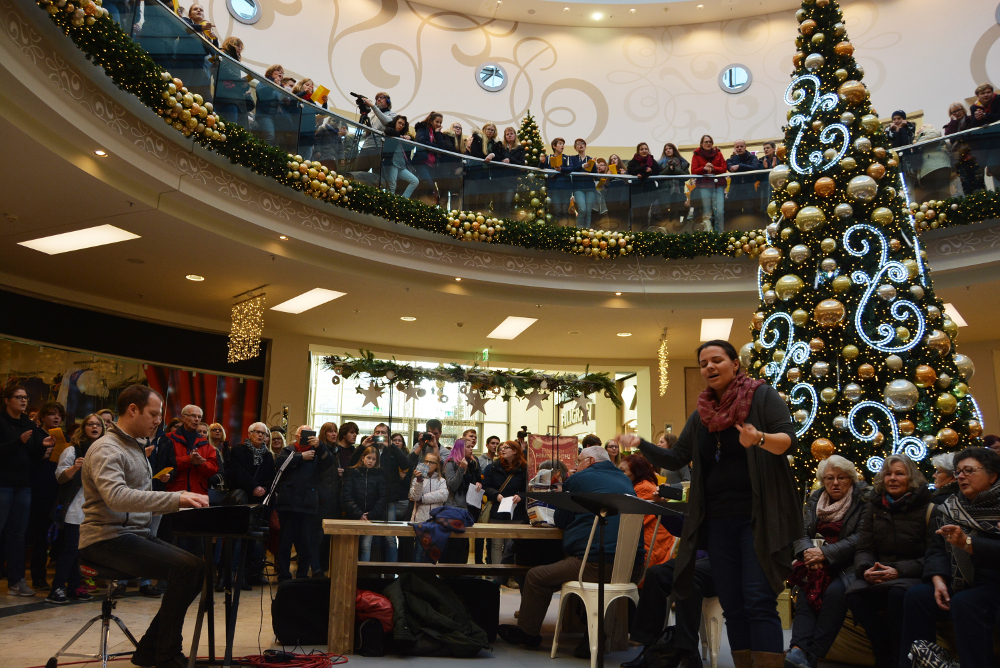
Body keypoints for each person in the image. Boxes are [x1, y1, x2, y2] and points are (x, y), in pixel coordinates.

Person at [618, 339, 800, 668]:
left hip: (757, 519)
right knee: (733, 604)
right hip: (717, 522)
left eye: (717, 360)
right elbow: (676, 456)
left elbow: (789, 441)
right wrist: (640, 444)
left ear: (735, 364)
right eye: (704, 363)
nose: (710, 367)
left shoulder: (761, 395)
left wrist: (758, 438)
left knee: (758, 600)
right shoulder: (703, 413)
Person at [79, 385, 209, 668]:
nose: (158, 420)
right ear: (132, 410)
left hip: (132, 534)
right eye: (153, 413)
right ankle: (165, 654)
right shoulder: (106, 448)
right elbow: (116, 497)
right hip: (104, 538)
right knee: (185, 569)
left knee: (198, 568)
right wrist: (176, 498)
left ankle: (152, 650)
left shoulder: (135, 446)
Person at [497, 446, 642, 656]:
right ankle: (593, 635)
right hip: (632, 566)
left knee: (536, 576)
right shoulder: (625, 480)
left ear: (590, 461)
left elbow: (562, 520)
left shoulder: (578, 480)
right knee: (583, 574)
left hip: (594, 564)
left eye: (579, 461)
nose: (576, 466)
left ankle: (528, 634)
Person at [900, 447, 1000, 668]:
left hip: (993, 583)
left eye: (969, 470)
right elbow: (936, 549)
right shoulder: (950, 507)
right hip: (956, 579)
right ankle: (915, 663)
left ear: (993, 476)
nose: (961, 476)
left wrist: (968, 543)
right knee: (917, 596)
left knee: (966, 602)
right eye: (958, 472)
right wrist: (937, 579)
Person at [844, 454, 931, 668]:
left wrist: (898, 571)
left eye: (899, 474)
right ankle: (882, 652)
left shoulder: (928, 508)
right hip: (879, 572)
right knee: (854, 596)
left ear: (911, 478)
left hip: (911, 575)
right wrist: (866, 569)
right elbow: (864, 547)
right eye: (888, 474)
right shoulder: (875, 506)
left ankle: (898, 657)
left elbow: (933, 555)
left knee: (896, 594)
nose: (892, 478)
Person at [785, 456, 869, 668]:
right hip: (815, 561)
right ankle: (797, 651)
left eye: (841, 478)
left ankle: (813, 655)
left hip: (847, 565)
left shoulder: (863, 500)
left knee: (834, 595)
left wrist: (826, 554)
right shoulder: (816, 499)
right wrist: (808, 553)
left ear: (851, 479)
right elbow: (800, 532)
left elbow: (860, 538)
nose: (835, 483)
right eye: (829, 478)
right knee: (805, 592)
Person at [0, 384, 54, 597]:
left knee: (18, 535)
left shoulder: (27, 424)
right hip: (2, 483)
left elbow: (31, 454)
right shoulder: (2, 421)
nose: (23, 401)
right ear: (7, 400)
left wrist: (43, 446)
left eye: (25, 397)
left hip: (23, 485)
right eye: (18, 397)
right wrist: (17, 442)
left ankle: (16, 581)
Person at [46, 413, 105, 604]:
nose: (94, 427)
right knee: (71, 548)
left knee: (81, 551)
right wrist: (74, 468)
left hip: (94, 509)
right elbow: (60, 477)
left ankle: (74, 587)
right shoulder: (72, 450)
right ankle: (57, 588)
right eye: (90, 424)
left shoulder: (106, 451)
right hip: (75, 507)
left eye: (98, 425)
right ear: (84, 428)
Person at [625, 556, 715, 668]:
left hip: (727, 562)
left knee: (687, 575)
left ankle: (689, 655)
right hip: (699, 557)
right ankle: (650, 650)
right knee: (655, 573)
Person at [274, 425, 334, 580]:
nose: (306, 437)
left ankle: (302, 576)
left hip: (308, 505)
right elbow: (280, 465)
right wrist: (301, 457)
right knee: (285, 543)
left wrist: (319, 446)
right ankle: (284, 576)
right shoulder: (288, 450)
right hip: (288, 504)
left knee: (306, 543)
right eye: (303, 434)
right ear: (296, 436)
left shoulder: (317, 453)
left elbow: (329, 463)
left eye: (309, 434)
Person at [226, 422, 276, 586]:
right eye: (257, 432)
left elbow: (271, 476)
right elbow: (236, 471)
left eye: (263, 433)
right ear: (249, 434)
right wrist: (253, 486)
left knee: (255, 539)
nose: (261, 435)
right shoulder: (239, 450)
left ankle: (248, 575)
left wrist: (263, 489)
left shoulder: (268, 455)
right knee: (237, 539)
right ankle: (229, 576)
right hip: (241, 500)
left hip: (259, 502)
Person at [29, 401, 64, 591]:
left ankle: (42, 576)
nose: (56, 417)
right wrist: (42, 455)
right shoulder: (35, 435)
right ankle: (34, 576)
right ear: (42, 417)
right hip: (35, 489)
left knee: (45, 535)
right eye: (51, 414)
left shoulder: (62, 438)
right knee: (33, 535)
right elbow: (25, 462)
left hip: (54, 491)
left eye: (59, 415)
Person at [620, 453, 674, 567]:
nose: (619, 474)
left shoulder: (644, 488)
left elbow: (631, 520)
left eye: (623, 471)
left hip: (653, 548)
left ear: (636, 472)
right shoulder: (642, 485)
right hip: (653, 543)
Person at [483, 441, 529, 567]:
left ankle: (510, 576)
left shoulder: (524, 469)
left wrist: (521, 496)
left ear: (515, 451)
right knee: (496, 545)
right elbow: (486, 487)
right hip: (497, 510)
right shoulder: (494, 467)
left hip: (516, 512)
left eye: (506, 448)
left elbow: (529, 490)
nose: (502, 450)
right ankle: (497, 574)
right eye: (501, 448)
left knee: (512, 546)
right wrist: (495, 494)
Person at [161, 405, 218, 497]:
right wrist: (188, 459)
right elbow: (163, 464)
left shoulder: (205, 443)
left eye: (199, 417)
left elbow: (213, 469)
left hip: (198, 493)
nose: (197, 419)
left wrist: (200, 464)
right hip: (174, 492)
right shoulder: (168, 438)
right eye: (193, 416)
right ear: (183, 417)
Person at [342, 446, 387, 562]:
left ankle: (363, 573)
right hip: (354, 516)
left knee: (366, 545)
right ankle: (352, 573)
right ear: (363, 458)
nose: (371, 461)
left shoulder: (380, 475)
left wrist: (370, 515)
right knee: (352, 545)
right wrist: (358, 514)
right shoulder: (352, 473)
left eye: (374, 459)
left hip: (370, 517)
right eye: (368, 458)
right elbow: (347, 496)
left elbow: (382, 498)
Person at [408, 451, 448, 561]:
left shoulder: (441, 481)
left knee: (433, 553)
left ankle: (430, 577)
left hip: (435, 522)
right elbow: (414, 496)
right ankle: (416, 577)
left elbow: (443, 495)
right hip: (420, 521)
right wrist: (419, 480)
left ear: (437, 466)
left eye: (431, 462)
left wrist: (423, 499)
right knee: (419, 552)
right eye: (426, 461)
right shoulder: (417, 479)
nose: (428, 464)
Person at [412, 112, 451, 205]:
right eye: (437, 122)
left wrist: (437, 133)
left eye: (440, 123)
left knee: (430, 186)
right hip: (422, 162)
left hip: (433, 165)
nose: (439, 124)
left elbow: (441, 147)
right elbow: (420, 140)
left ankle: (425, 205)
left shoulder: (436, 132)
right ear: (431, 121)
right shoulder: (423, 128)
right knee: (428, 184)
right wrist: (435, 147)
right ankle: (417, 203)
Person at [691, 135, 727, 232]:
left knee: (719, 211)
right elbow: (693, 171)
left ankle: (720, 234)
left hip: (718, 186)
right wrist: (704, 169)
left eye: (710, 142)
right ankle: (708, 234)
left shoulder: (718, 154)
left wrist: (714, 168)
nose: (708, 144)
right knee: (706, 212)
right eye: (706, 142)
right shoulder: (696, 155)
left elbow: (724, 168)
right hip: (704, 187)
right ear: (701, 144)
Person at [214, 37, 249, 128]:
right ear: (231, 44)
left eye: (241, 47)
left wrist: (244, 85)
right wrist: (241, 80)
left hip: (233, 98)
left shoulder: (235, 61)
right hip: (226, 97)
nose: (240, 49)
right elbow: (224, 70)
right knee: (230, 125)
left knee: (232, 125)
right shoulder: (223, 54)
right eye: (238, 46)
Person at [539, 138, 574, 226]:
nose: (562, 146)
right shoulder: (549, 158)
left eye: (563, 144)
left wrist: (561, 169)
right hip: (554, 187)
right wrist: (542, 162)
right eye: (560, 144)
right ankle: (556, 230)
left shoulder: (567, 158)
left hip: (566, 187)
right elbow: (542, 169)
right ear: (554, 146)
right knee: (557, 209)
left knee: (565, 210)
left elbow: (571, 168)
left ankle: (565, 230)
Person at [382, 115, 419, 198]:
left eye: (403, 124)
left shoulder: (403, 136)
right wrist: (400, 136)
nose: (401, 126)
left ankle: (402, 201)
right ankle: (389, 204)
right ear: (395, 122)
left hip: (401, 165)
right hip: (392, 163)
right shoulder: (391, 132)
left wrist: (410, 138)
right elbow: (388, 131)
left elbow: (413, 146)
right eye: (399, 123)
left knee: (415, 181)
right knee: (392, 186)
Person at [656, 143, 691, 230]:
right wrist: (669, 170)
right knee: (665, 215)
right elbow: (657, 177)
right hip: (664, 192)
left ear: (674, 150)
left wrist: (675, 170)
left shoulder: (683, 163)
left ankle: (674, 234)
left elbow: (686, 176)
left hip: (678, 193)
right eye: (666, 149)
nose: (668, 150)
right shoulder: (660, 163)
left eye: (670, 148)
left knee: (677, 214)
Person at [627, 142, 660, 230]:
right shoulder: (633, 161)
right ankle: (635, 233)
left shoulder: (652, 161)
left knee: (646, 214)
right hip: (636, 192)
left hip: (648, 192)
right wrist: (644, 169)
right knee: (636, 214)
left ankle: (644, 234)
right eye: (641, 149)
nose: (644, 151)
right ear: (638, 151)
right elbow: (631, 170)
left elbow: (657, 171)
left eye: (645, 149)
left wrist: (647, 173)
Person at [725, 140, 762, 220]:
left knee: (750, 214)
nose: (739, 148)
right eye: (737, 147)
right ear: (734, 148)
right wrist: (736, 157)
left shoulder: (752, 157)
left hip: (749, 191)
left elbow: (755, 167)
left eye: (741, 146)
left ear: (745, 147)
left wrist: (739, 166)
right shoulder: (730, 160)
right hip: (735, 192)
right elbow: (732, 169)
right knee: (735, 216)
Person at [293, 78, 326, 161]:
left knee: (306, 160)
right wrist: (304, 92)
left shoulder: (311, 102)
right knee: (296, 158)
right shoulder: (296, 96)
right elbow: (292, 100)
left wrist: (325, 103)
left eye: (311, 86)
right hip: (298, 134)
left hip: (309, 137)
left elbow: (322, 112)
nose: (309, 87)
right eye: (307, 85)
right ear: (301, 86)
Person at [568, 138, 598, 229]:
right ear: (575, 148)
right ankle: (579, 230)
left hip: (590, 187)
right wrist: (582, 166)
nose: (580, 145)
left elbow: (596, 176)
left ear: (585, 146)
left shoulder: (590, 159)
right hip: (578, 187)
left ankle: (587, 231)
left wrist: (593, 167)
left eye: (582, 143)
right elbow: (571, 169)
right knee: (582, 209)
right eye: (578, 144)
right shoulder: (572, 158)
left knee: (588, 211)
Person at [255, 64, 286, 147]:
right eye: (278, 70)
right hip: (264, 115)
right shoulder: (264, 82)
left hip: (277, 118)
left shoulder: (281, 87)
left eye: (282, 72)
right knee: (270, 137)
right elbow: (262, 95)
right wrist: (273, 85)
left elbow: (284, 102)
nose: (280, 73)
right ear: (271, 72)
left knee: (277, 141)